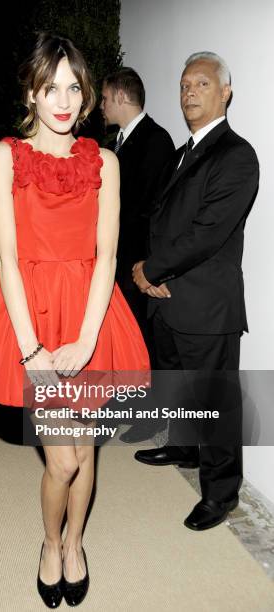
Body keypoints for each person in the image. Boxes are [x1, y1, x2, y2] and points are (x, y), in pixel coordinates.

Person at [0, 33, 150, 608]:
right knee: (63, 457)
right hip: (31, 314)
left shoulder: (105, 162)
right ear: (31, 90)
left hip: (90, 317)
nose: (64, 99)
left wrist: (86, 338)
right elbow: (6, 256)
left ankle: (75, 544)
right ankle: (49, 543)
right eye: (51, 86)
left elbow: (107, 258)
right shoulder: (3, 156)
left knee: (88, 449)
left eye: (74, 87)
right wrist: (32, 352)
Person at [133, 52, 259, 530]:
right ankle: (183, 446)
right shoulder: (181, 152)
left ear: (225, 92)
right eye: (184, 85)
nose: (189, 93)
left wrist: (150, 270)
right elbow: (159, 219)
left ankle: (221, 493)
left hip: (207, 306)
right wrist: (146, 271)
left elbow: (207, 232)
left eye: (201, 84)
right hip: (167, 299)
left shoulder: (237, 155)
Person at [101, 67, 175, 443]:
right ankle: (122, 406)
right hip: (116, 261)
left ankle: (150, 417)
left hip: (138, 263)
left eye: (103, 98)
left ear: (119, 95)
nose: (101, 105)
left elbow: (147, 209)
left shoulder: (156, 140)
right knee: (120, 340)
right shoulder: (118, 140)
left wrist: (147, 267)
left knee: (142, 343)